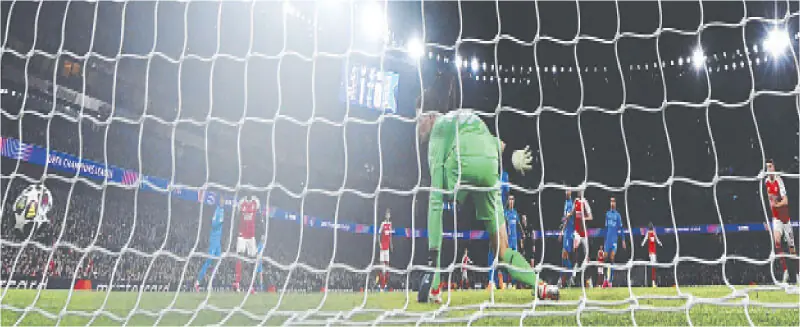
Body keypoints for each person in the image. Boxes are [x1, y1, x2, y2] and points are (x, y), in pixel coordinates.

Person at [416, 105, 546, 304]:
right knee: (503, 250)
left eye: (419, 120)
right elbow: (494, 144)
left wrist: (432, 264)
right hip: (489, 165)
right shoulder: (464, 117)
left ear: (432, 116)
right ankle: (540, 285)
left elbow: (435, 202)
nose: (417, 126)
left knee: (438, 196)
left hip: (460, 166)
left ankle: (435, 286)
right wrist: (512, 157)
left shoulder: (439, 129)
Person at [765, 159, 797, 284]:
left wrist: (776, 204)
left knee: (792, 249)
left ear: (774, 168)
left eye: (770, 167)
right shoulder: (766, 182)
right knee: (776, 241)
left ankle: (798, 273)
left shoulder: (779, 181)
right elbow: (769, 202)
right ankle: (785, 271)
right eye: (767, 167)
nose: (769, 169)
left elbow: (786, 201)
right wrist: (769, 218)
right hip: (776, 218)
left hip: (785, 218)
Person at [195, 205, 225, 292]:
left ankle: (210, 284)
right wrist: (220, 223)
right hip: (213, 242)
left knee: (218, 263)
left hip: (218, 243)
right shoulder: (217, 211)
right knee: (208, 262)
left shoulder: (222, 210)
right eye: (222, 199)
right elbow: (213, 225)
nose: (223, 201)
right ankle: (197, 282)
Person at [235, 196, 260, 292]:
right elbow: (237, 218)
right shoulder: (241, 202)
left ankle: (251, 286)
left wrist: (260, 232)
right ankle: (237, 283)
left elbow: (258, 217)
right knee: (240, 257)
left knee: (253, 260)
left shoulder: (256, 202)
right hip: (242, 235)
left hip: (251, 236)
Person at [602, 197, 626, 288]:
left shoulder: (618, 215)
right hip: (607, 240)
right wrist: (604, 240)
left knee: (612, 258)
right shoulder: (607, 214)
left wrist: (623, 240)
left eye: (613, 201)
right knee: (605, 258)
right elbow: (606, 228)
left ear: (615, 203)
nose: (612, 203)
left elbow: (621, 229)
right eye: (611, 201)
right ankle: (605, 279)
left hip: (614, 240)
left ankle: (610, 281)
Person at [558, 190, 575, 287]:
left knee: (564, 255)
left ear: (570, 192)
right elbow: (565, 217)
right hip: (566, 232)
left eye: (568, 191)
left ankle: (569, 276)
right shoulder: (565, 203)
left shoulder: (571, 204)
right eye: (565, 191)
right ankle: (567, 279)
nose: (566, 192)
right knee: (563, 257)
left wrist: (562, 232)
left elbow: (568, 220)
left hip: (569, 233)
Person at [641, 222, 662, 287]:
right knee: (653, 265)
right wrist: (642, 243)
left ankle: (654, 281)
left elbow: (657, 239)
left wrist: (659, 243)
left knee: (654, 266)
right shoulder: (648, 233)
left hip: (653, 251)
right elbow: (645, 239)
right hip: (651, 251)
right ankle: (653, 282)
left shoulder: (653, 232)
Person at [378, 209, 393, 291]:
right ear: (385, 215)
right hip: (382, 247)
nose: (388, 216)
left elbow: (390, 235)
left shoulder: (390, 224)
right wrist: (379, 243)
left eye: (389, 214)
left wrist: (391, 245)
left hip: (387, 248)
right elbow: (378, 234)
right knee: (382, 268)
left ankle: (385, 285)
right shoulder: (383, 224)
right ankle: (381, 286)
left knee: (387, 268)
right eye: (387, 214)